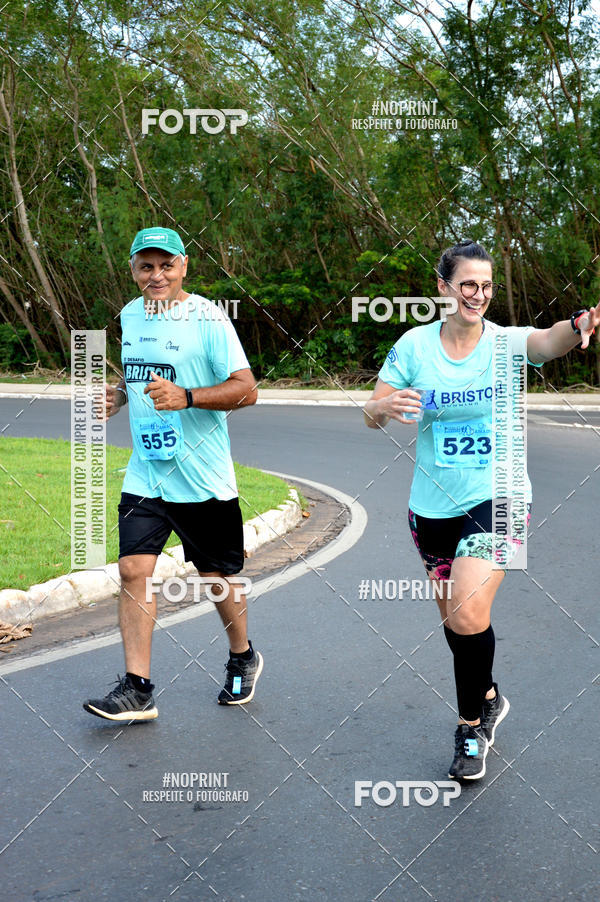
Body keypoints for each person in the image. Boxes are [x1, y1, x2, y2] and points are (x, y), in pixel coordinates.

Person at [364, 238, 600, 780]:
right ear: (443, 287)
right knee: (456, 623)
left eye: (487, 285)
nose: (478, 294)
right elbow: (372, 413)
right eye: (468, 284)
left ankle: (471, 727)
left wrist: (580, 321)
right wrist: (381, 406)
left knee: (468, 609)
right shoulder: (414, 347)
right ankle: (489, 695)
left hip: (502, 495)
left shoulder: (506, 343)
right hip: (431, 507)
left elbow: (547, 342)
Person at [83, 227, 262, 722]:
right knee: (133, 569)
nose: (156, 275)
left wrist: (187, 396)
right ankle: (138, 689)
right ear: (134, 270)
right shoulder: (130, 315)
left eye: (166, 265)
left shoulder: (207, 317)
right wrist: (119, 396)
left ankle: (242, 654)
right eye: (146, 266)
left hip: (202, 475)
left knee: (215, 577)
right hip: (147, 471)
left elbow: (247, 390)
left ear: (183, 266)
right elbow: (136, 371)